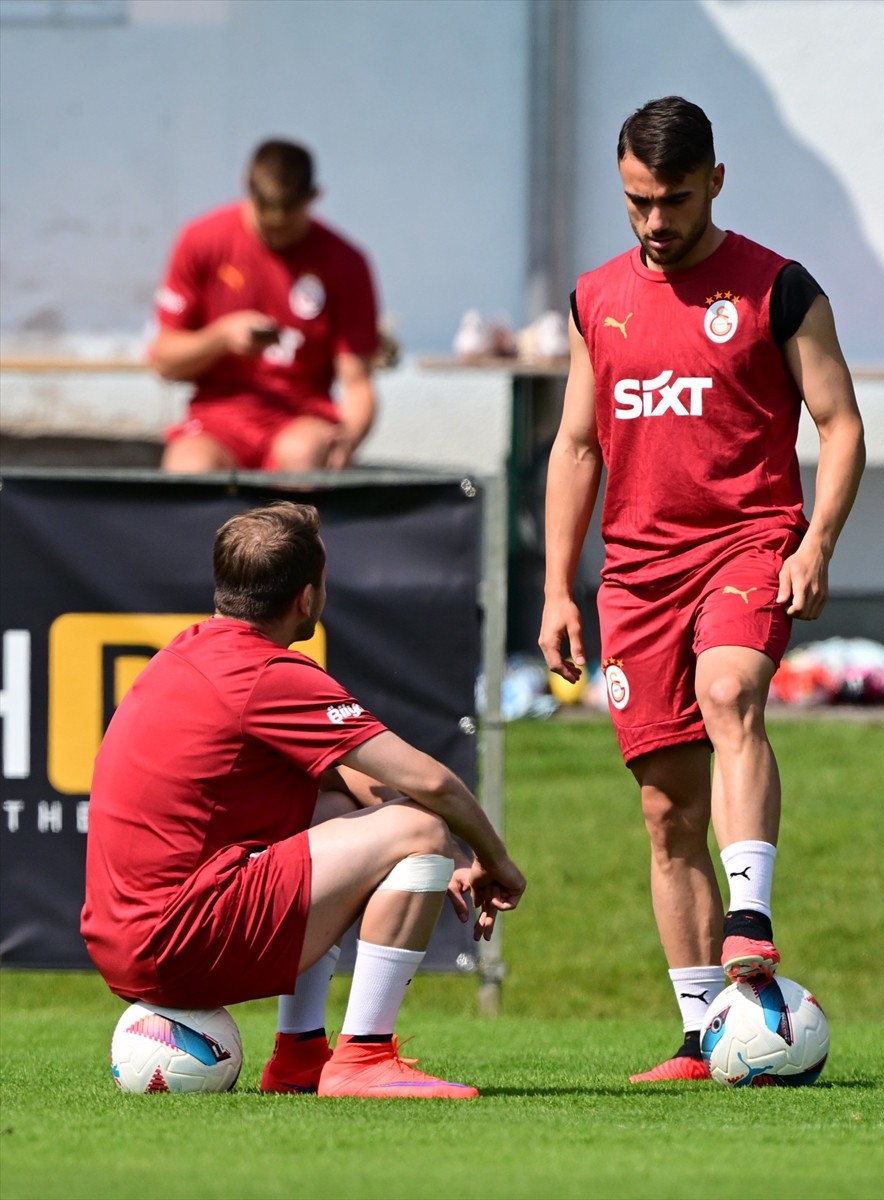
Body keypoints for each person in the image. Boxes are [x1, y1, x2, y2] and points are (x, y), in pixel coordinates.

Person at [539, 96, 866, 1083]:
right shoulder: (596, 297)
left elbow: (840, 424)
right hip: (635, 573)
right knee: (663, 812)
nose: (653, 221)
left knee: (731, 693)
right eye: (636, 200)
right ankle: (696, 1038)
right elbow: (577, 442)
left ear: (715, 182)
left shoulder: (778, 288)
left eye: (673, 199)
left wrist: (813, 542)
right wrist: (557, 587)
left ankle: (750, 920)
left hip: (746, 541)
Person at [81, 501, 526, 1098]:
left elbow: (354, 779)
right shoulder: (268, 674)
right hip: (177, 942)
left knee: (346, 807)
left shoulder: (187, 653)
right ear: (307, 597)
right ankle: (364, 1058)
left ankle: (299, 1055)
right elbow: (435, 784)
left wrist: (401, 856)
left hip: (129, 943)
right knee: (421, 828)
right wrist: (492, 861)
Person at [149, 139, 380, 473]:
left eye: (287, 225)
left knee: (302, 454)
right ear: (246, 186)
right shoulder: (200, 240)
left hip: (301, 417)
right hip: (217, 419)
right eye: (266, 222)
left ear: (313, 197)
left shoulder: (346, 263)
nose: (276, 237)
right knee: (189, 468)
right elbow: (164, 361)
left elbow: (358, 383)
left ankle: (303, 524)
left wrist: (349, 439)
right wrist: (222, 337)